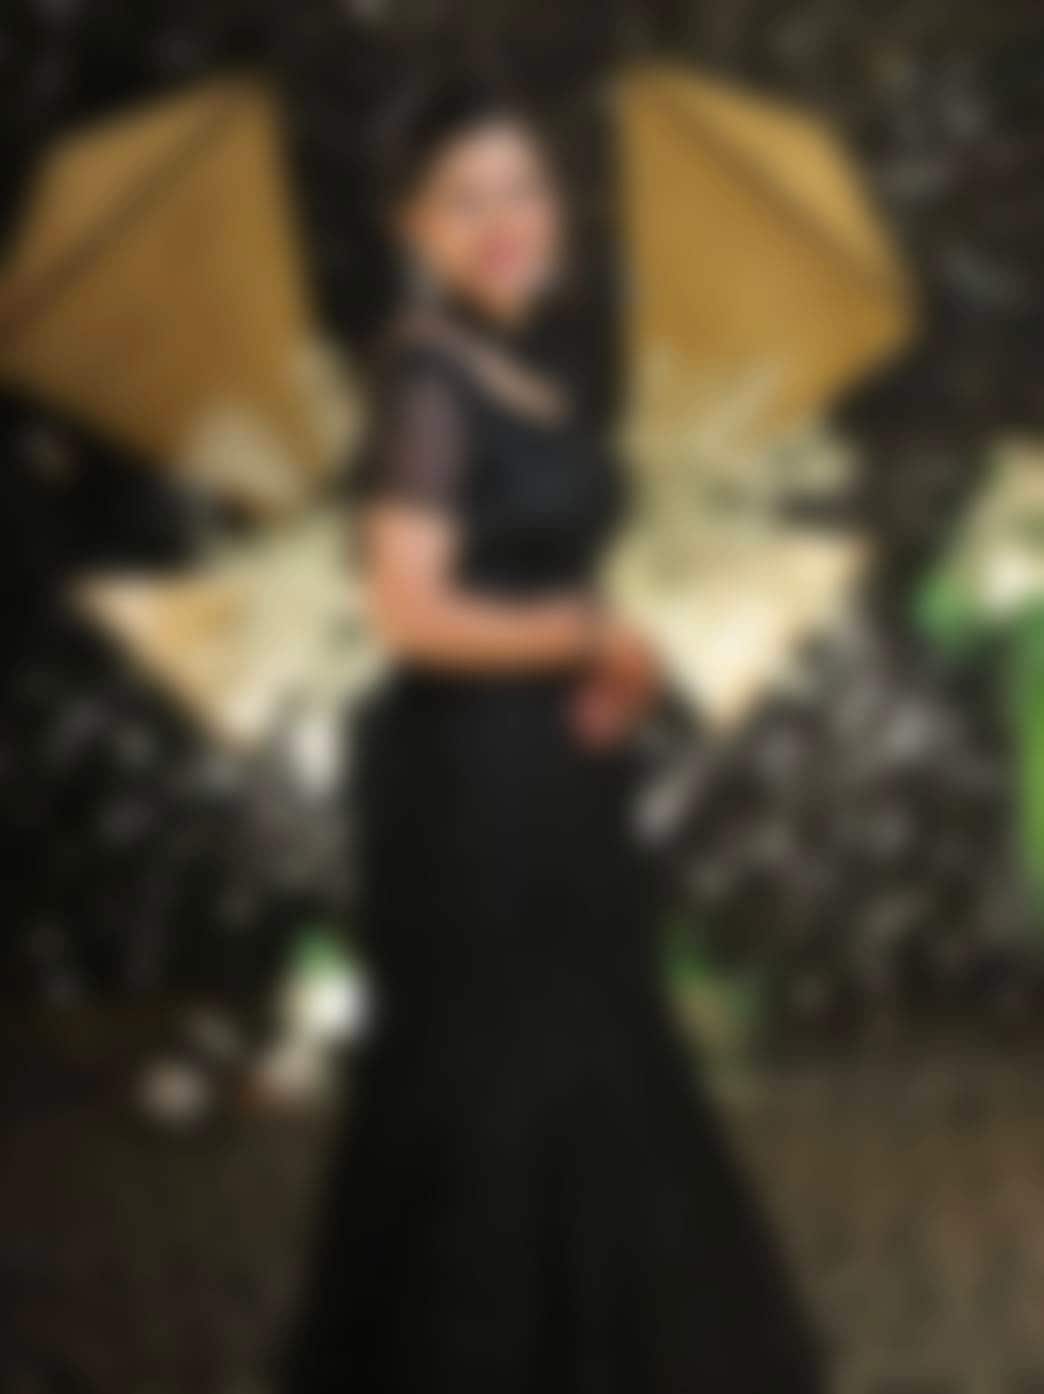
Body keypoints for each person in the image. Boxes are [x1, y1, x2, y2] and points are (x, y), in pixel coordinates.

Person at [285, 73, 823, 1394]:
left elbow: (536, 581)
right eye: (464, 199)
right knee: (488, 1082)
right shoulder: (423, 376)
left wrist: (622, 666)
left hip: (558, 776)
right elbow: (409, 609)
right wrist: (587, 632)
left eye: (521, 188)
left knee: (594, 1055)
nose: (503, 221)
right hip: (464, 792)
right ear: (414, 227)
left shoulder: (539, 369)